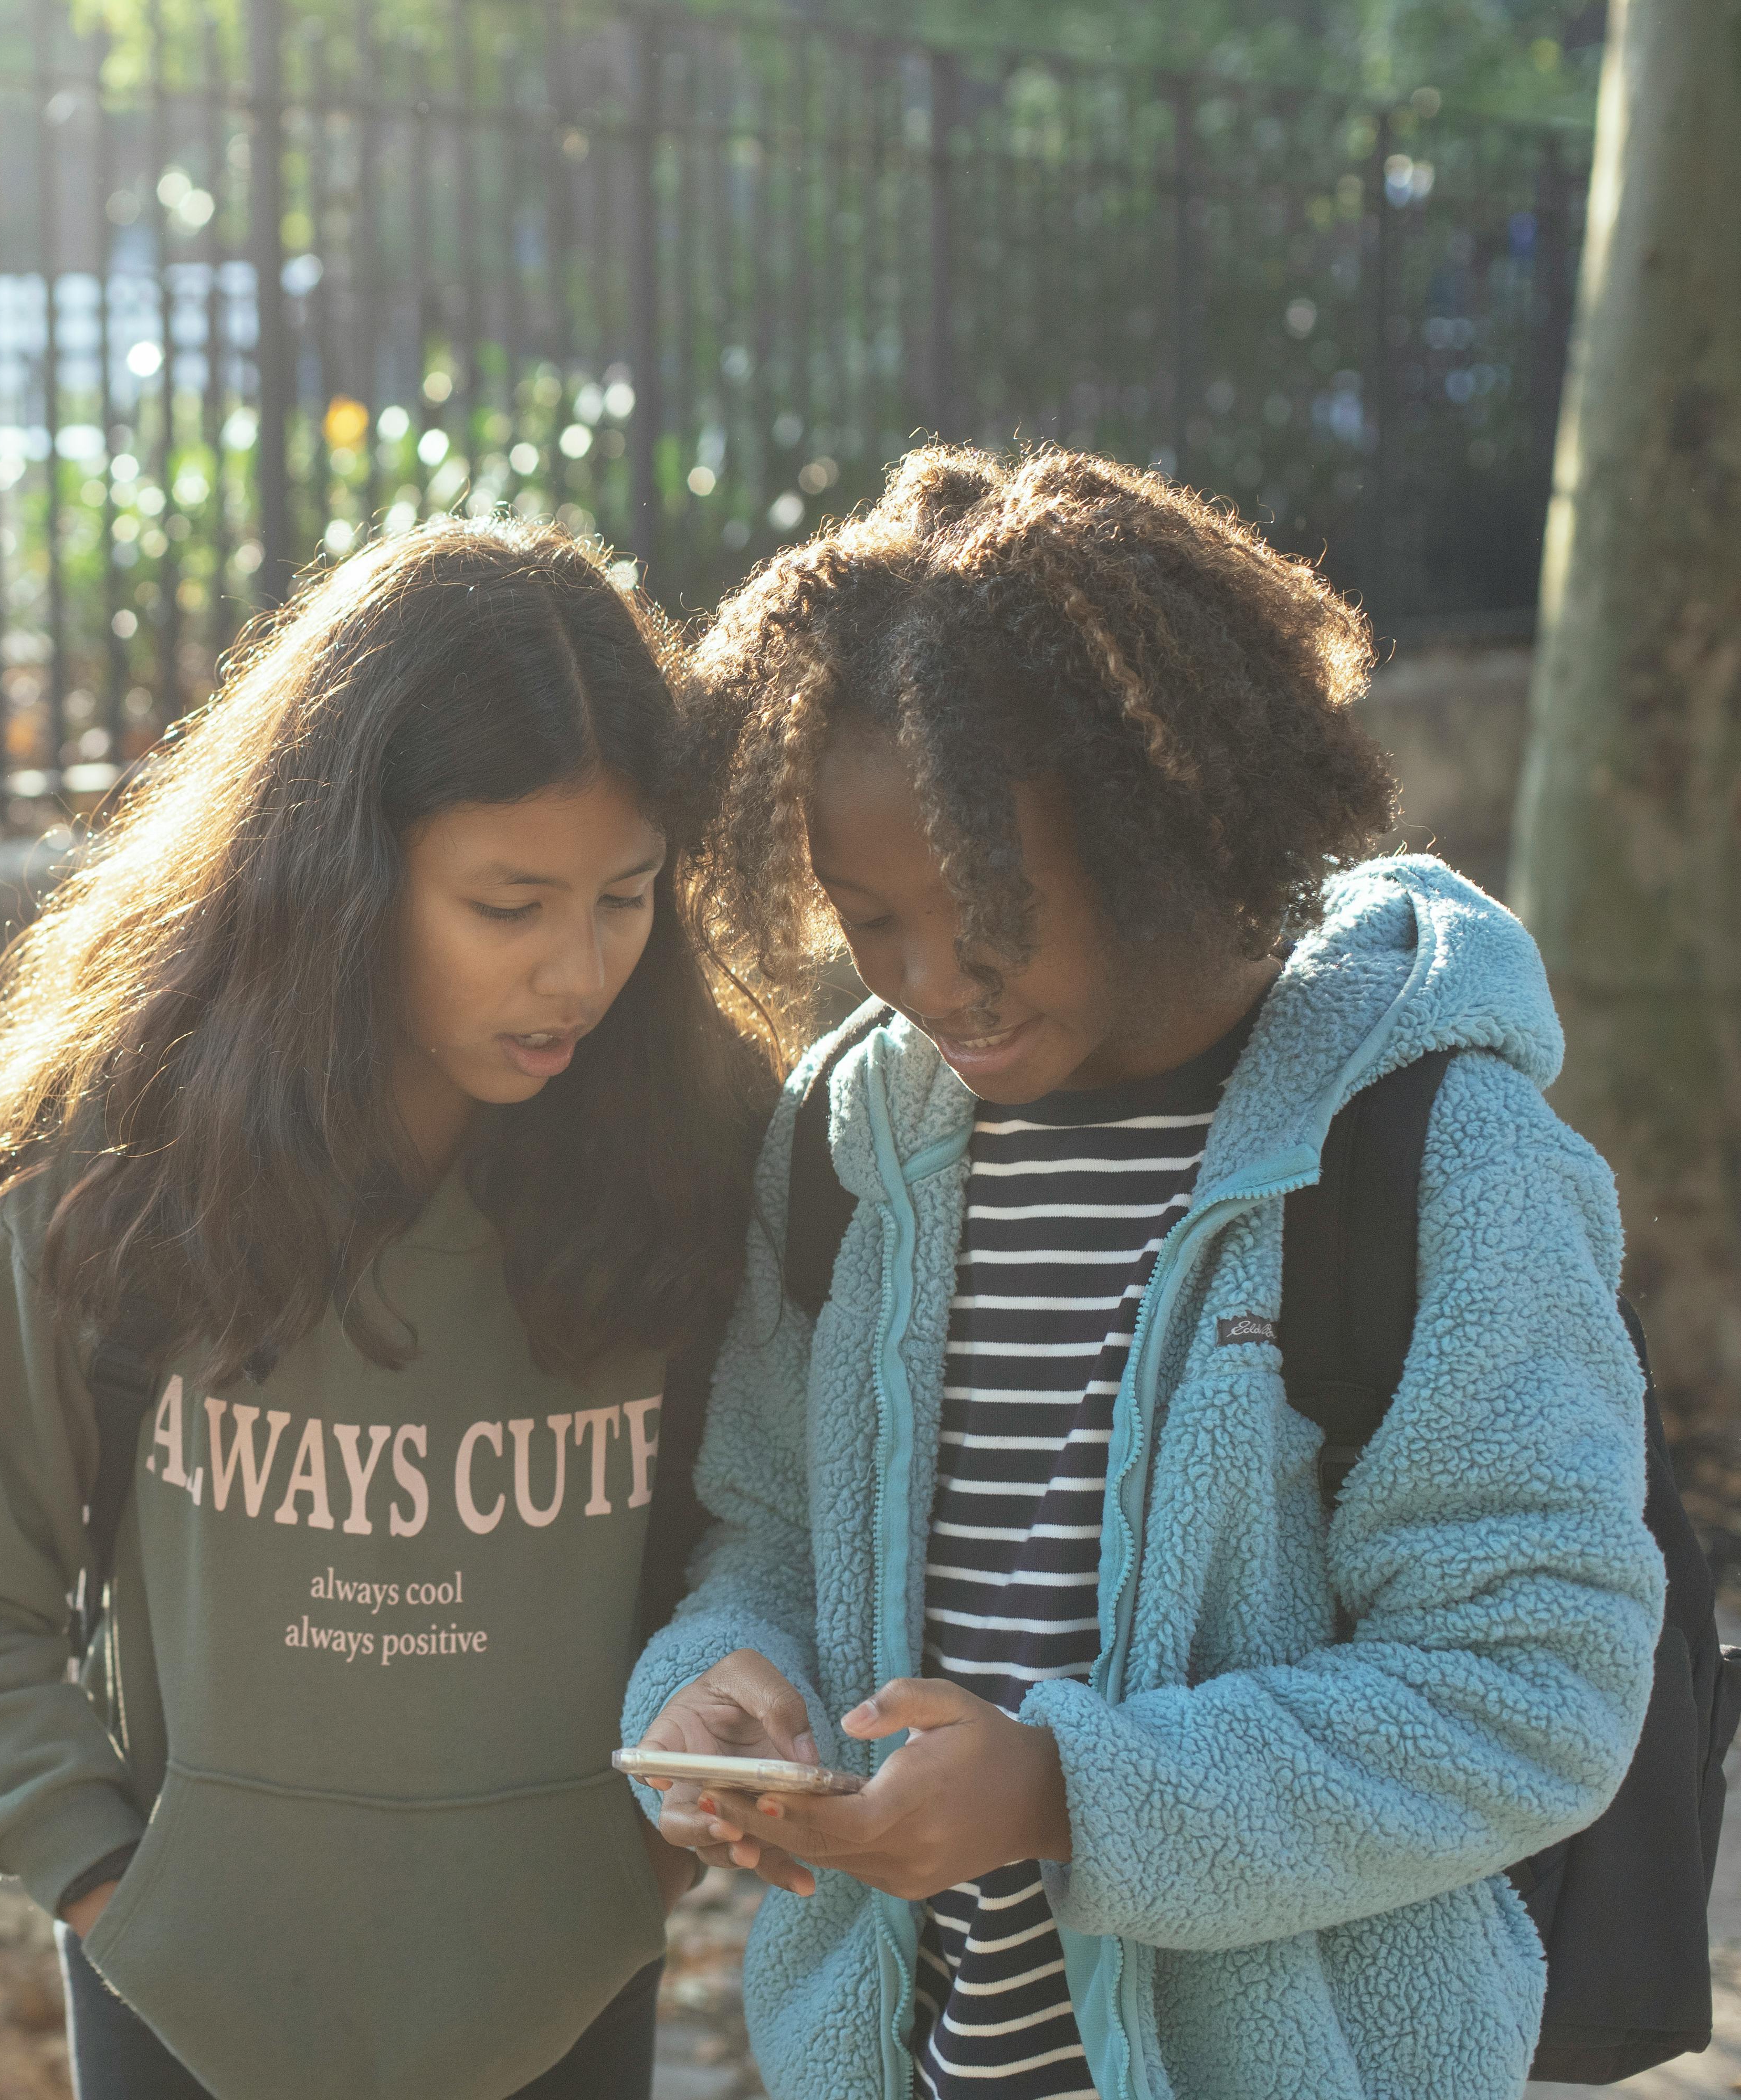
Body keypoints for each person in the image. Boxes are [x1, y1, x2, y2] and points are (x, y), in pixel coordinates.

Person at [626, 442, 1664, 2100]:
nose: (928, 983)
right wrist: (716, 1695)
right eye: (864, 919)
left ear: (1165, 815)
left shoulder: (1432, 1152)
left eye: (985, 903)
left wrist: (1062, 1796)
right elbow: (762, 1531)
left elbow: (1535, 1681)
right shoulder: (848, 1142)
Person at [0, 516, 774, 2100]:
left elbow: (753, 1542)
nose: (580, 970)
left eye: (626, 897)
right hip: (181, 2019)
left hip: (563, 2003)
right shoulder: (122, 1159)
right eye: (511, 906)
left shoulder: (703, 1150)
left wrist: (646, 1869)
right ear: (345, 870)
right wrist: (116, 1893)